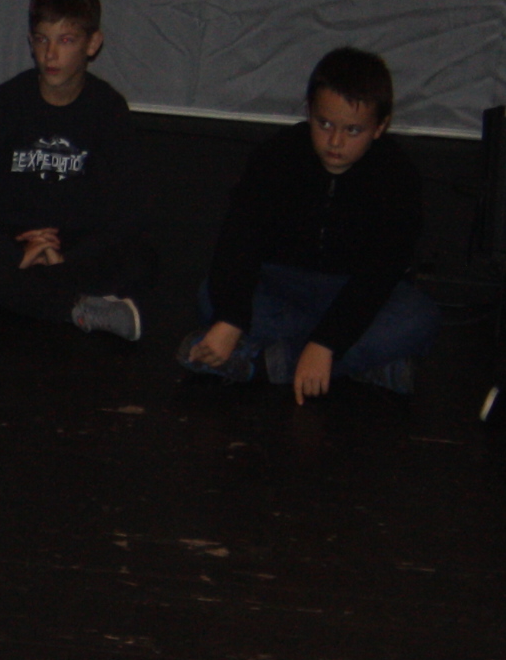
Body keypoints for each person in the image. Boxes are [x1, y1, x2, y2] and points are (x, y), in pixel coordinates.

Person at [178, 46, 433, 401]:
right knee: (211, 295)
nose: (335, 142)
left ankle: (263, 364)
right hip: (282, 285)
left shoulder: (397, 176)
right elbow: (239, 241)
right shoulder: (277, 156)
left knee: (417, 318)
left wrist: (326, 342)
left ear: (380, 127)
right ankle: (368, 366)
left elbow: (380, 274)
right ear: (309, 112)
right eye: (324, 124)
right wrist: (231, 319)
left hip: (351, 294)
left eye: (353, 130)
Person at [0, 0, 154, 340]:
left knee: (143, 259)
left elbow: (131, 208)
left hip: (73, 246)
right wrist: (15, 252)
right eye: (42, 40)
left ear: (93, 43)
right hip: (12, 240)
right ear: (31, 41)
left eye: (66, 40)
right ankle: (78, 309)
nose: (51, 55)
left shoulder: (107, 109)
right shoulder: (8, 100)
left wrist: (68, 258)